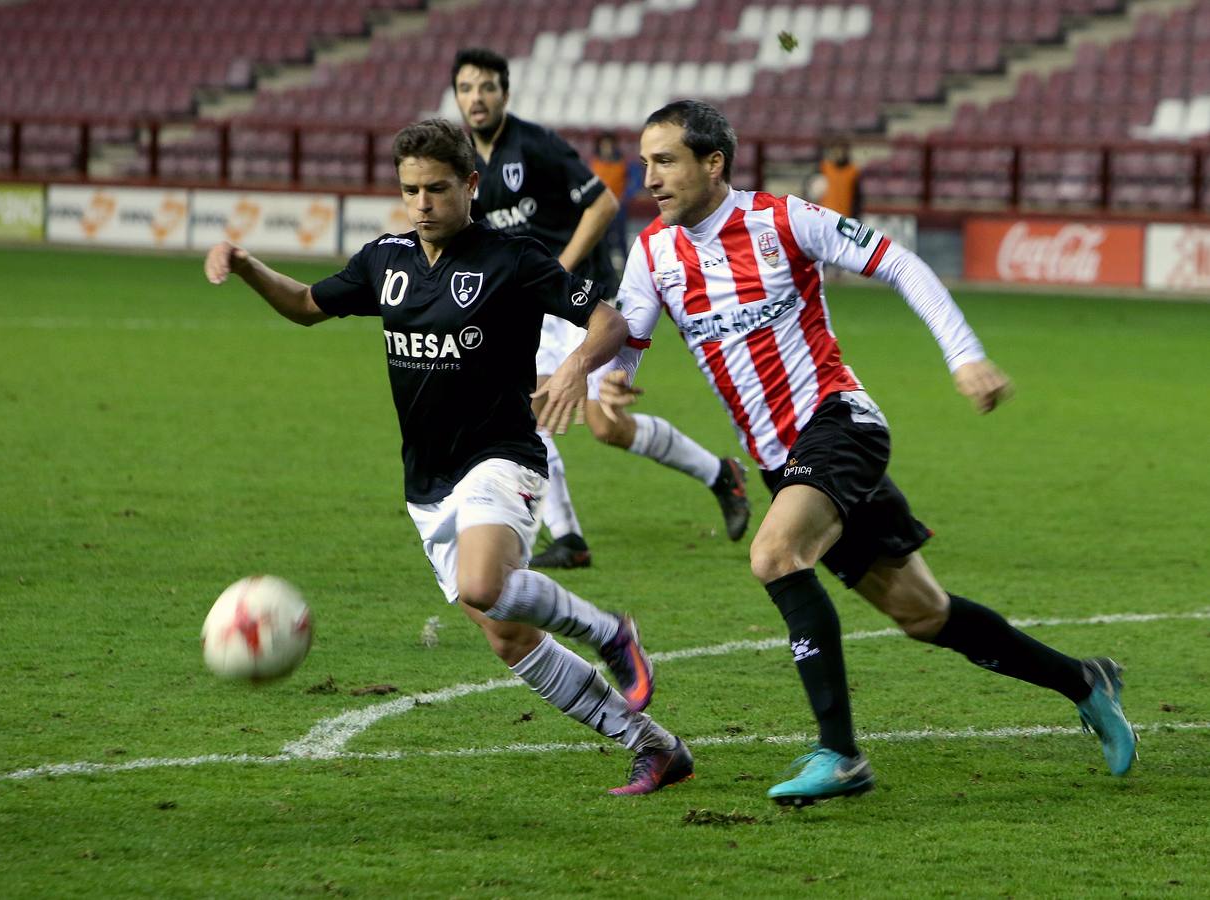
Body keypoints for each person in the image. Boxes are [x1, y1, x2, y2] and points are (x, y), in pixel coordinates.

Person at [596, 100, 1137, 806]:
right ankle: (1083, 682)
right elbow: (628, 344)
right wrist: (610, 387)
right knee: (923, 614)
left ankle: (839, 753)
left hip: (838, 422)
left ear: (712, 162)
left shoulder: (784, 220)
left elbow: (899, 262)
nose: (650, 178)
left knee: (774, 556)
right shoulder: (653, 253)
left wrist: (965, 356)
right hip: (780, 461)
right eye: (644, 163)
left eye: (664, 160)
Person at [202, 118, 692, 796]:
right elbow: (308, 304)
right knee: (508, 639)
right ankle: (654, 746)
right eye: (410, 191)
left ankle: (611, 633)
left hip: (501, 455)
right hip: (426, 483)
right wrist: (248, 265)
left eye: (437, 188)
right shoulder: (386, 261)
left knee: (482, 585)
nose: (423, 203)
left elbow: (606, 320)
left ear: (470, 184)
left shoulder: (511, 258)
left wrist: (577, 365)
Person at [451, 47, 750, 570]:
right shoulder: (466, 162)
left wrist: (556, 273)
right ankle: (568, 536)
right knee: (527, 414)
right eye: (466, 88)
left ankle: (720, 474)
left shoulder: (535, 145)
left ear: (505, 93)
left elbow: (604, 203)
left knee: (604, 424)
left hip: (581, 299)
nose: (476, 98)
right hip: (530, 310)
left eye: (487, 87)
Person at [590, 130, 630, 269]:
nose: (607, 148)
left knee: (620, 240)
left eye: (609, 145)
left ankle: (628, 268)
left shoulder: (621, 163)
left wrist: (623, 197)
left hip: (618, 207)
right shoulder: (595, 163)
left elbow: (628, 183)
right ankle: (604, 269)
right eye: (604, 145)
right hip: (601, 208)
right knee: (603, 240)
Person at [816, 139, 861, 220]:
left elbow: (857, 198)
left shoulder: (853, 171)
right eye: (836, 150)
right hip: (825, 215)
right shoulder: (824, 168)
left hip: (845, 216)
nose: (838, 153)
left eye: (841, 150)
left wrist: (855, 217)